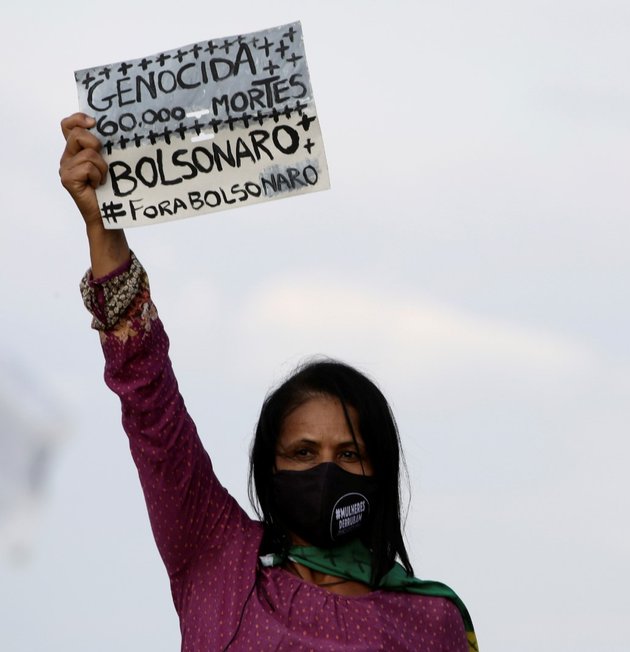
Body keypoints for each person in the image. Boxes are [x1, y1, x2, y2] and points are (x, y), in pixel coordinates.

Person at [59, 112, 477, 651]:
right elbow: (151, 408)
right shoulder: (216, 555)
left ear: (381, 469)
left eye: (349, 453)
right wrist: (103, 225)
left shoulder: (431, 619)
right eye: (303, 453)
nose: (327, 469)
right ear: (270, 466)